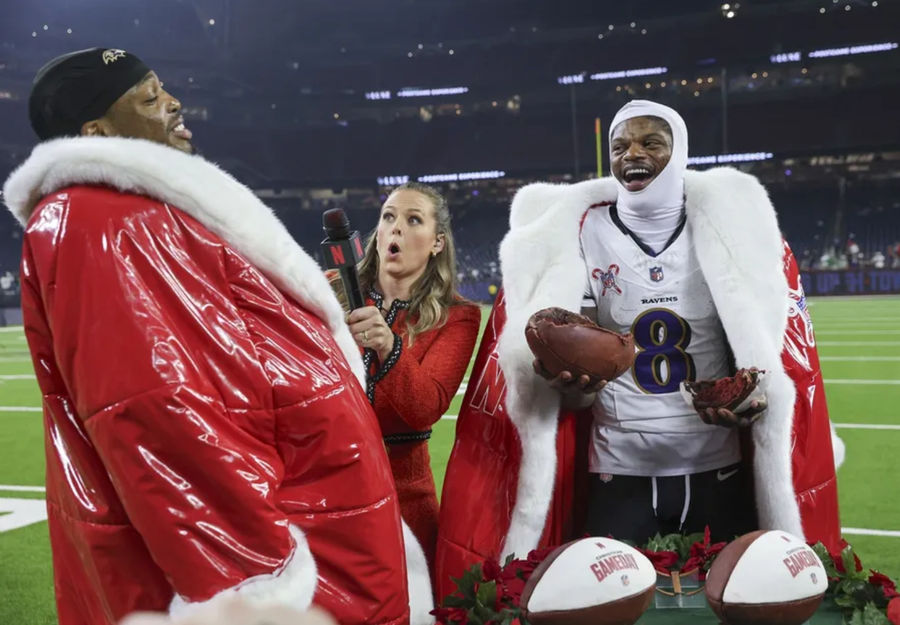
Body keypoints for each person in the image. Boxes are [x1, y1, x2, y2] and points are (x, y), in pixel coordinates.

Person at [4, 48, 432, 625]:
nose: (174, 102)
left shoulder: (142, 211)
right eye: (150, 98)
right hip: (289, 556)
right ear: (96, 131)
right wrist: (256, 588)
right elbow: (162, 413)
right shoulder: (102, 219)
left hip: (315, 522)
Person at [434, 99, 844, 599]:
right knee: (611, 607)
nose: (633, 154)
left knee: (732, 604)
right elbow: (577, 357)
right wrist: (573, 388)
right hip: (618, 467)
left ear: (680, 152)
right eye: (620, 145)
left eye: (652, 142)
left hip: (716, 466)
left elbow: (763, 349)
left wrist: (753, 401)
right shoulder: (583, 231)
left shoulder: (727, 229)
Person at [337, 182, 480, 570]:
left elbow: (426, 406)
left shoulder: (458, 317)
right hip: (331, 499)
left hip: (407, 507)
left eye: (413, 219)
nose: (396, 228)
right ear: (378, 235)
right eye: (388, 217)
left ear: (437, 243)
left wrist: (388, 345)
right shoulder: (330, 297)